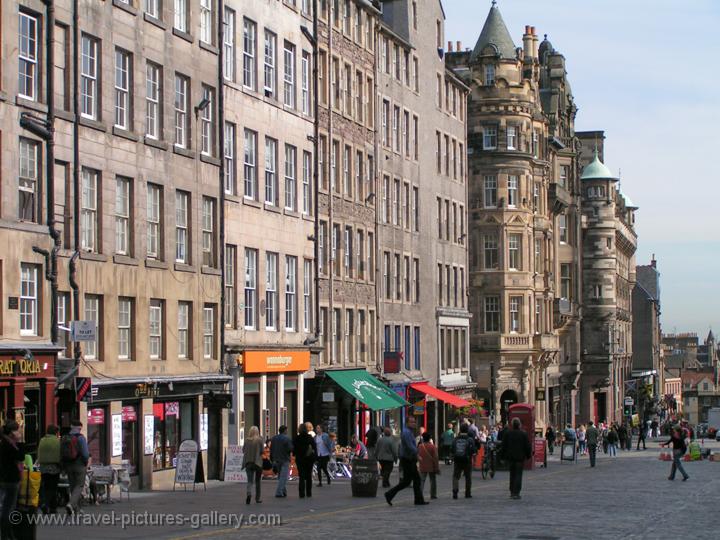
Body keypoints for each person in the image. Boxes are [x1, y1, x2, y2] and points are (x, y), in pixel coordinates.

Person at [384, 417, 427, 506]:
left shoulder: (409, 432)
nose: (414, 423)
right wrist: (417, 454)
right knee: (410, 481)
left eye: (414, 422)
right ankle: (390, 494)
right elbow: (409, 446)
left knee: (412, 480)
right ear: (407, 423)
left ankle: (418, 499)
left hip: (410, 459)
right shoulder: (406, 433)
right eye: (411, 422)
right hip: (408, 459)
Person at [0, 421, 25, 537]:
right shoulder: (9, 445)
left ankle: (7, 533)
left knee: (5, 506)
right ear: (12, 433)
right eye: (18, 430)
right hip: (11, 479)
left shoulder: (4, 443)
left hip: (4, 478)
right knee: (9, 508)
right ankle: (6, 533)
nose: (19, 432)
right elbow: (20, 456)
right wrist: (20, 442)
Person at [62, 419, 90, 515]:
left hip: (68, 465)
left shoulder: (65, 437)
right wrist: (85, 462)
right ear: (80, 428)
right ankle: (70, 504)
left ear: (71, 426)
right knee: (79, 486)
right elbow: (85, 454)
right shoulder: (81, 438)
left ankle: (77, 509)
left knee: (73, 487)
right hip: (79, 464)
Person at [502, 418, 532, 500]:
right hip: (520, 458)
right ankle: (516, 492)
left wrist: (503, 457)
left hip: (511, 458)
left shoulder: (508, 433)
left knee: (512, 475)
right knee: (518, 475)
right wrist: (529, 456)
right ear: (519, 425)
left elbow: (503, 446)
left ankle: (512, 491)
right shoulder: (523, 434)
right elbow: (527, 446)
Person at [37, 424, 61, 514]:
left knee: (46, 486)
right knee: (53, 488)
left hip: (43, 467)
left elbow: (39, 453)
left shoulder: (42, 440)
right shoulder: (57, 441)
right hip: (54, 467)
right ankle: (46, 504)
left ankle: (53, 507)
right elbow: (59, 454)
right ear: (56, 432)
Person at [451, 423, 476, 499]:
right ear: (467, 430)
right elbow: (473, 450)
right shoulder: (470, 439)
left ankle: (455, 491)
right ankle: (467, 493)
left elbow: (452, 449)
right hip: (467, 460)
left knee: (456, 476)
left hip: (457, 460)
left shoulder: (456, 439)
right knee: (468, 477)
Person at [293, 423, 317, 498]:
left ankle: (301, 493)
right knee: (309, 475)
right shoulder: (309, 437)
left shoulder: (297, 438)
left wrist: (295, 454)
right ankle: (309, 492)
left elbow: (294, 449)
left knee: (301, 476)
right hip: (309, 458)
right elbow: (314, 447)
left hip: (300, 459)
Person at [242, 426, 264, 504]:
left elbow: (243, 450)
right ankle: (257, 498)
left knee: (249, 481)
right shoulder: (259, 440)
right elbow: (262, 451)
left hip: (248, 462)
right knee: (258, 481)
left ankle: (249, 494)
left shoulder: (246, 440)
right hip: (257, 463)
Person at [270, 425, 293, 498]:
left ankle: (283, 491)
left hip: (276, 459)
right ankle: (279, 492)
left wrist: (272, 458)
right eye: (287, 430)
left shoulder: (274, 438)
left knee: (280, 476)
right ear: (285, 430)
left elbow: (271, 449)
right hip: (285, 459)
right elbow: (290, 448)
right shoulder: (287, 438)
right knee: (284, 476)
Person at [417, 432, 439, 500]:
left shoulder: (420, 446)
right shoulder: (432, 446)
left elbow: (417, 455)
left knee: (421, 481)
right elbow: (435, 457)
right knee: (433, 481)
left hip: (422, 466)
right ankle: (433, 494)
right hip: (431, 466)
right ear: (429, 439)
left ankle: (419, 494)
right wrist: (437, 467)